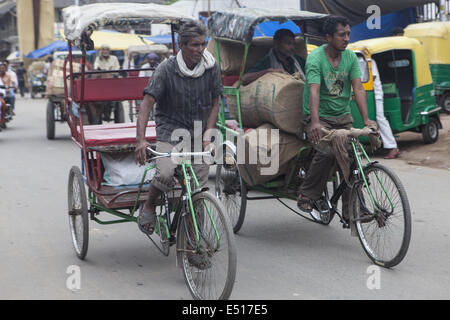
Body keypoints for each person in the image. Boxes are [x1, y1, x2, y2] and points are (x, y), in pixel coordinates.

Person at [135, 21, 222, 268]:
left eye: (203, 44)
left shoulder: (211, 66)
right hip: (169, 132)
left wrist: (208, 136)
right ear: (181, 45)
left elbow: (215, 102)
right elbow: (147, 105)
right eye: (195, 45)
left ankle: (194, 246)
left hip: (198, 132)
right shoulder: (166, 69)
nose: (200, 49)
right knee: (164, 173)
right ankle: (149, 204)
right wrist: (141, 139)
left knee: (200, 191)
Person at [297, 16, 376, 222]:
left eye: (348, 34)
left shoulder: (350, 58)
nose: (347, 38)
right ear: (329, 37)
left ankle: (354, 210)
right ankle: (307, 193)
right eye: (342, 35)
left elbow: (358, 88)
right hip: (319, 117)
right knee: (329, 151)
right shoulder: (315, 58)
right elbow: (313, 90)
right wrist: (314, 122)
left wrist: (367, 120)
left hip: (342, 117)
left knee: (353, 158)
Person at [242, 28, 306, 86]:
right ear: (276, 44)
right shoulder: (268, 61)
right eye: (288, 44)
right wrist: (268, 71)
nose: (292, 48)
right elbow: (244, 79)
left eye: (293, 44)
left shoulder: (297, 60)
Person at [371, 59, 400, 159]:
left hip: (375, 95)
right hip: (365, 95)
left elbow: (372, 77)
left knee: (380, 118)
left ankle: (393, 147)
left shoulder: (369, 60)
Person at [90, 44, 121, 123]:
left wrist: (109, 72)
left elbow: (117, 69)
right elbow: (96, 67)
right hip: (101, 81)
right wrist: (103, 70)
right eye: (103, 49)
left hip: (112, 81)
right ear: (101, 51)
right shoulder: (98, 58)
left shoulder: (114, 58)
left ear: (109, 51)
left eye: (107, 49)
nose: (105, 51)